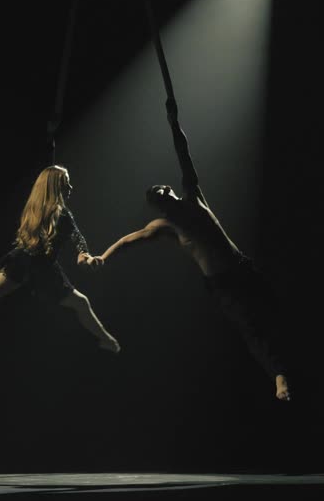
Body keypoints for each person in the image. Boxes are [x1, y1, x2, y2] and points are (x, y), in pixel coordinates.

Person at [95, 104, 291, 399]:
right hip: (222, 283)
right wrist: (103, 256)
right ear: (159, 206)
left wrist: (174, 122)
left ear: (169, 190)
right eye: (157, 199)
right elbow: (128, 241)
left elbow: (183, 152)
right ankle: (279, 375)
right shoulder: (166, 225)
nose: (162, 197)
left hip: (240, 265)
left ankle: (294, 358)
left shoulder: (193, 196)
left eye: (162, 191)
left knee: (274, 307)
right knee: (250, 327)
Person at [0, 165, 121, 353]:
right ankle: (109, 342)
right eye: (66, 184)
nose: (71, 188)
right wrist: (86, 258)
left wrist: (85, 258)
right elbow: (79, 243)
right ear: (55, 187)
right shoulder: (62, 214)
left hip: (28, 262)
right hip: (37, 266)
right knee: (81, 303)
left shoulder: (36, 209)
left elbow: (79, 247)